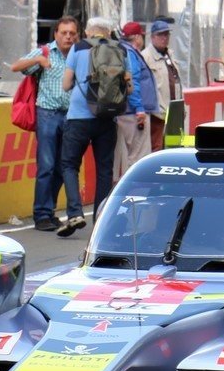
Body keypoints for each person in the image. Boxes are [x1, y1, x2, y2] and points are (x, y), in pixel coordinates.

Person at [57, 16, 132, 237]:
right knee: (104, 169)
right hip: (107, 117)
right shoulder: (121, 49)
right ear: (108, 33)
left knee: (69, 164)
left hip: (79, 117)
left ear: (89, 32)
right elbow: (129, 88)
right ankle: (101, 218)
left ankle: (75, 213)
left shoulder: (79, 48)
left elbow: (66, 84)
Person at [10, 15, 79, 231]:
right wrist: (38, 60)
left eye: (72, 33)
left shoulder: (79, 54)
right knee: (46, 165)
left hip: (70, 115)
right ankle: (41, 214)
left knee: (62, 167)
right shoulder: (46, 51)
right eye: (64, 33)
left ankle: (49, 210)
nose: (68, 37)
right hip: (47, 114)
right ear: (56, 34)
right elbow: (16, 66)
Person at [114, 21, 156, 182]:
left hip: (123, 111)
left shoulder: (119, 49)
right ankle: (136, 190)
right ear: (137, 37)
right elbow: (133, 81)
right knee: (139, 157)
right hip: (133, 112)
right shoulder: (130, 53)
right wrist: (139, 107)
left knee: (122, 158)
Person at [142, 19, 182, 152]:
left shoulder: (170, 54)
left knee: (174, 147)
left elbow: (177, 81)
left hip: (174, 111)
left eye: (167, 34)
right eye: (161, 35)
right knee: (156, 147)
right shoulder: (146, 57)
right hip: (157, 113)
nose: (165, 38)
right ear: (152, 37)